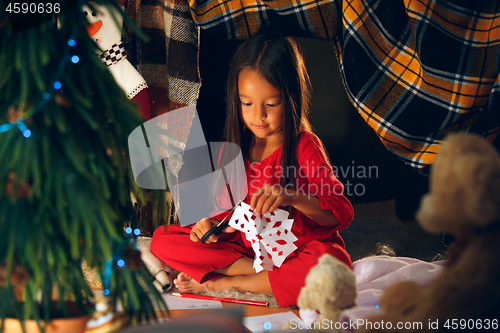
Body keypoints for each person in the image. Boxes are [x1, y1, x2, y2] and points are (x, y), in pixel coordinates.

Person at [151, 33, 354, 307]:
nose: (258, 116)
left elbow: (340, 214)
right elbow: (226, 216)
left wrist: (292, 197)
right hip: (247, 251)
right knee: (162, 239)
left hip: (297, 251)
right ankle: (262, 274)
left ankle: (222, 283)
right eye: (247, 104)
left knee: (331, 265)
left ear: (292, 97)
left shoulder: (305, 145)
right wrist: (210, 226)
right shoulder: (232, 151)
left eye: (271, 104)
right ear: (236, 100)